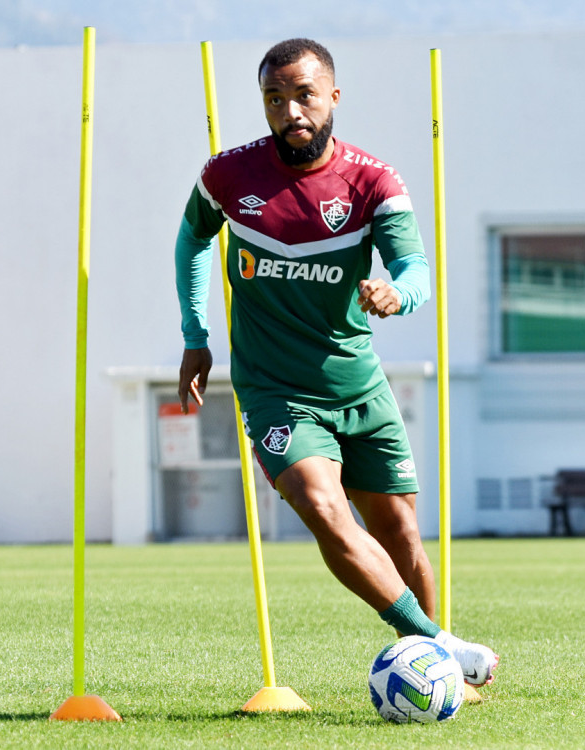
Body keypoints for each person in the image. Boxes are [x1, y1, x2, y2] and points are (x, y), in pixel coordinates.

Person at [172, 38, 498, 686]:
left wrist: (395, 292)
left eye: (303, 95)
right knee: (322, 508)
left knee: (400, 530)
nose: (290, 109)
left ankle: (439, 678)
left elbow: (416, 271)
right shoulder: (228, 177)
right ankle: (441, 650)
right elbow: (191, 241)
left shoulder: (374, 182)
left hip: (359, 385)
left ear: (333, 98)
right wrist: (195, 333)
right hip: (276, 392)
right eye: (274, 98)